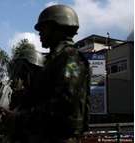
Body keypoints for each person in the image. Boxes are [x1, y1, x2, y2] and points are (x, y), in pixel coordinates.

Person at [27, 4, 90, 142]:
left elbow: (65, 103)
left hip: (61, 137)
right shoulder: (54, 60)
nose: (40, 33)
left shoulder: (71, 58)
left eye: (44, 28)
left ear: (57, 29)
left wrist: (21, 117)